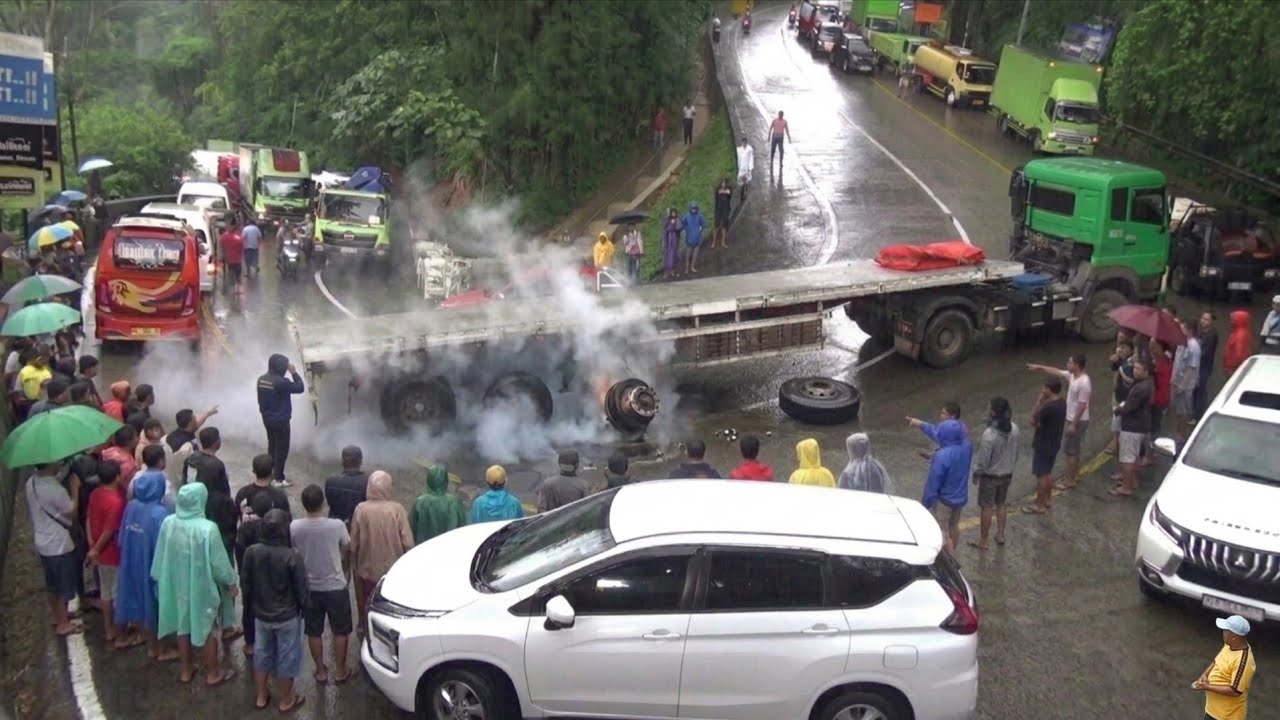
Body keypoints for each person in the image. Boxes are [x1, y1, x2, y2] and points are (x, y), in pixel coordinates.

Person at [150, 483, 239, 686]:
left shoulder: (168, 523)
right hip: (202, 586)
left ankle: (186, 669)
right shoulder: (207, 528)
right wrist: (231, 582)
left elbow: (160, 554)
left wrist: (158, 577)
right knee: (207, 627)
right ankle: (213, 673)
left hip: (175, 585)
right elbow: (219, 563)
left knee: (183, 626)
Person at [241, 509, 308, 713]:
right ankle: (287, 699)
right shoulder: (292, 556)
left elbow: (245, 583)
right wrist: (304, 609)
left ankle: (261, 696)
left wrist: (251, 605)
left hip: (261, 613)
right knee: (287, 657)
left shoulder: (251, 552)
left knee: (261, 654)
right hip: (287, 615)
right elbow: (301, 589)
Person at [291, 485, 353, 685]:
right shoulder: (336, 526)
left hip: (310, 587)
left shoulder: (295, 527)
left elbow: (294, 550)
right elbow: (347, 546)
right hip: (335, 585)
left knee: (313, 630)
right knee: (340, 630)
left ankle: (320, 671)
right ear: (323, 503)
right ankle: (341, 671)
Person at [115, 466, 177, 661]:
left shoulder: (131, 507)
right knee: (157, 605)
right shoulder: (160, 514)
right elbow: (167, 545)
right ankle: (162, 648)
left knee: (138, 600)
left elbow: (122, 537)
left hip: (131, 560)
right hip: (153, 564)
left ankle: (150, 644)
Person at [349, 471, 413, 630]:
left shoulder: (360, 509)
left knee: (368, 605)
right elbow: (408, 543)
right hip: (393, 572)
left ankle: (366, 630)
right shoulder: (396, 509)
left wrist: (353, 566)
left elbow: (353, 544)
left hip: (366, 572)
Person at [27, 461, 84, 636]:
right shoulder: (55, 490)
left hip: (43, 540)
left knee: (52, 583)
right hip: (58, 543)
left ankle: (59, 617)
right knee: (62, 584)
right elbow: (71, 511)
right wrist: (75, 489)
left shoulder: (32, 482)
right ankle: (63, 624)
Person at [1027, 355, 1091, 490]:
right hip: (1073, 418)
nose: (1067, 365)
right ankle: (1074, 475)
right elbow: (1056, 371)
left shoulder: (1084, 383)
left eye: (1070, 363)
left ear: (1077, 365)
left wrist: (1073, 424)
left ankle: (1070, 480)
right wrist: (1040, 367)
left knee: (1071, 451)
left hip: (1078, 420)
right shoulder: (1073, 376)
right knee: (1073, 449)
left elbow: (1082, 405)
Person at [183, 427, 238, 572]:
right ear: (216, 442)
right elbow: (224, 491)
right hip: (213, 510)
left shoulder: (192, 458)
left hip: (193, 506)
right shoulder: (216, 465)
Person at [969, 398, 1018, 550]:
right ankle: (1000, 534)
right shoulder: (1014, 429)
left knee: (987, 507)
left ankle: (983, 541)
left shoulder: (989, 434)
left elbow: (983, 460)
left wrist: (977, 472)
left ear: (992, 412)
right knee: (1001, 504)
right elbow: (1016, 453)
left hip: (991, 477)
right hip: (1007, 474)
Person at [919, 418, 972, 554]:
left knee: (941, 532)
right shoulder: (967, 446)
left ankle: (949, 559)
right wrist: (922, 424)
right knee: (954, 525)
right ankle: (953, 549)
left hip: (945, 500)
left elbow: (933, 484)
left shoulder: (942, 457)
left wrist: (925, 504)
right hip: (960, 498)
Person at [234, 491, 276, 656]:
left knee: (249, 608)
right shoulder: (275, 526)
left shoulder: (245, 528)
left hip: (250, 576)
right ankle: (272, 640)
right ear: (271, 507)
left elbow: (239, 551)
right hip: (271, 576)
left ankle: (250, 643)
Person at [256, 353, 305, 487]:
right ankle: (278, 478)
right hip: (281, 421)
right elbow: (300, 387)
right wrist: (294, 373)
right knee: (282, 449)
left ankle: (269, 474)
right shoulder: (281, 382)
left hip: (267, 419)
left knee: (272, 446)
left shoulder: (261, 379)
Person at [1195, 615, 1257, 720]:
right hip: (1213, 711)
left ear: (1234, 636)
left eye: (1225, 631)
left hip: (1226, 716)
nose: (1223, 633)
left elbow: (1235, 690)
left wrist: (1207, 687)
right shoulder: (1229, 645)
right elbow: (1217, 661)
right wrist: (1205, 674)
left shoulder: (1243, 661)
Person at [1024, 378, 1067, 514]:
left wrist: (1038, 402)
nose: (1042, 390)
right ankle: (1047, 500)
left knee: (1041, 475)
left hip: (1043, 443)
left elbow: (1032, 420)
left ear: (1049, 389)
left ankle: (1039, 505)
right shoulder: (1062, 403)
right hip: (1054, 443)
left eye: (1044, 388)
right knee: (1048, 472)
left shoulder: (1048, 407)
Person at [1111, 358, 1153, 498]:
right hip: (1140, 426)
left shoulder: (1140, 388)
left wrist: (1117, 409)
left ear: (1146, 372)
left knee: (1127, 458)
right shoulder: (1146, 384)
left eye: (1139, 369)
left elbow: (1129, 407)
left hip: (1132, 427)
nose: (1135, 371)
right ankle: (1133, 481)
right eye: (1135, 368)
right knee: (1134, 456)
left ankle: (1126, 487)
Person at [409, 464, 467, 545]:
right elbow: (464, 527)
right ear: (446, 480)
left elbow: (411, 528)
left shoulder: (420, 502)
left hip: (424, 551)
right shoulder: (455, 502)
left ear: (429, 480)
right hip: (451, 550)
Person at [1104, 339, 1136, 457]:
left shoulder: (1132, 363)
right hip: (1118, 395)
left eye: (1124, 347)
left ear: (1132, 350)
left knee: (1122, 419)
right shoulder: (1118, 361)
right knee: (1116, 418)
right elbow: (1115, 377)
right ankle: (1115, 440)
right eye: (1119, 347)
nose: (1120, 349)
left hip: (1129, 398)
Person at [1172, 318, 1201, 442]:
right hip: (1177, 381)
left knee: (1183, 411)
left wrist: (1182, 386)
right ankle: (1178, 431)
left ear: (1190, 331)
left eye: (1182, 328)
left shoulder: (1193, 346)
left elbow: (1191, 368)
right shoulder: (1182, 342)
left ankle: (1181, 435)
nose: (1180, 330)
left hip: (1185, 385)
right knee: (1179, 410)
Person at [325, 445, 369, 526]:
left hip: (334, 530)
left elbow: (329, 502)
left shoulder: (331, 481)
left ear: (342, 461)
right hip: (358, 530)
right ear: (361, 462)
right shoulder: (368, 483)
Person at [1195, 310, 1219, 420]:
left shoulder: (1212, 335)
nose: (1203, 321)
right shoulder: (1200, 332)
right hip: (1197, 366)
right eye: (1203, 318)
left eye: (1207, 319)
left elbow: (1205, 352)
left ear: (1212, 322)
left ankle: (1199, 414)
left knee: (1200, 390)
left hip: (1204, 367)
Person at [101, 425, 140, 491]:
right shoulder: (129, 464)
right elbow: (127, 485)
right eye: (136, 436)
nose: (138, 438)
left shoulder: (109, 451)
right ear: (129, 442)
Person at [1223, 310, 1253, 377]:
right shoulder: (1237, 331)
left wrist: (1233, 367)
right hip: (1232, 366)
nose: (1231, 321)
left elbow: (1240, 354)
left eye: (1233, 319)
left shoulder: (1240, 335)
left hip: (1234, 368)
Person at [220, 219, 244, 293]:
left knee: (232, 273)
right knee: (237, 274)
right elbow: (242, 248)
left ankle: (232, 289)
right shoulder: (238, 236)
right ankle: (237, 289)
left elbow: (221, 246)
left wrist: (223, 255)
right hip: (235, 260)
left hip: (230, 260)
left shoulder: (224, 236)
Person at [682, 201, 706, 275]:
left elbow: (703, 225)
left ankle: (692, 267)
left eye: (694, 208)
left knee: (695, 255)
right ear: (690, 209)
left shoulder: (700, 216)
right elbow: (683, 223)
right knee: (688, 254)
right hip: (689, 238)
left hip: (697, 238)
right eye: (692, 208)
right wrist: (685, 230)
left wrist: (701, 230)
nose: (693, 210)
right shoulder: (687, 216)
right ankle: (686, 268)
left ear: (697, 209)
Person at [661, 207, 682, 280]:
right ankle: (666, 272)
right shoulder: (667, 220)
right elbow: (664, 227)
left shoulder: (677, 220)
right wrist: (668, 227)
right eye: (671, 213)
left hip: (674, 239)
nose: (673, 214)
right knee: (666, 256)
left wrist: (673, 228)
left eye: (674, 213)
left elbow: (679, 227)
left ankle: (673, 271)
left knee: (674, 255)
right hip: (667, 240)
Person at [713, 178, 733, 249]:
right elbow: (716, 196)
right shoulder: (718, 190)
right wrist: (720, 192)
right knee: (716, 225)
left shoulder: (728, 190)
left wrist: (726, 192)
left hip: (725, 210)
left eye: (724, 183)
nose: (723, 184)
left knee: (724, 226)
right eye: (722, 183)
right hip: (718, 210)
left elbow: (730, 195)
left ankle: (723, 242)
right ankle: (714, 241)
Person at [735, 136, 754, 204]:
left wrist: (750, 167)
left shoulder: (749, 149)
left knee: (746, 181)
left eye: (745, 142)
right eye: (743, 142)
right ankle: (743, 193)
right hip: (741, 168)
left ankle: (745, 194)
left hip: (747, 168)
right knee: (741, 180)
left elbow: (751, 158)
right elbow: (739, 159)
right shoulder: (739, 150)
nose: (744, 143)